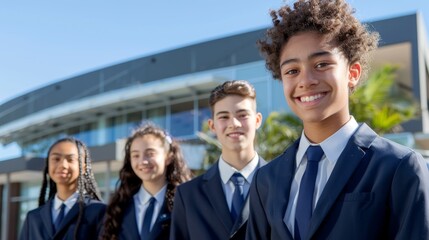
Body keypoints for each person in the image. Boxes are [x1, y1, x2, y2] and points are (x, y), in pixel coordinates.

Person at [246, 0, 429, 239]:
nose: (306, 80)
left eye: (322, 64)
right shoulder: (265, 180)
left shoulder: (399, 167)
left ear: (352, 74)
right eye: (292, 71)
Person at [170, 80, 266, 240]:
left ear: (257, 120)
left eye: (242, 115)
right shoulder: (188, 195)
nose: (234, 124)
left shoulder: (284, 183)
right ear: (212, 126)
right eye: (224, 117)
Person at [100, 123, 192, 240]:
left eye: (150, 154)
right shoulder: (119, 207)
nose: (143, 161)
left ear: (168, 157)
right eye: (136, 155)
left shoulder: (186, 204)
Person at [20, 137, 105, 240]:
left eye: (70, 159)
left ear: (83, 167)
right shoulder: (33, 218)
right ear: (48, 164)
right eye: (56, 159)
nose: (63, 165)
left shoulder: (99, 211)